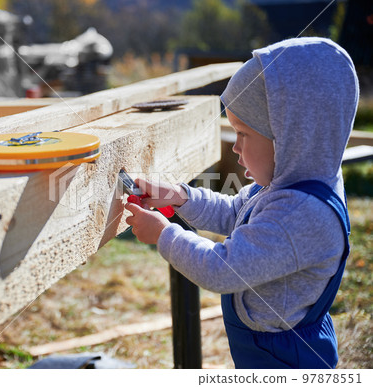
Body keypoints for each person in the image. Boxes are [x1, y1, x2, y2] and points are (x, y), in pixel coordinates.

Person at [124, 37, 359, 369]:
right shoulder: (288, 182)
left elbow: (222, 270)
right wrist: (180, 197)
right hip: (266, 347)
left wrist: (164, 235)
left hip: (287, 361)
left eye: (243, 134)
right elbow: (236, 212)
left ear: (290, 137)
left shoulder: (301, 216)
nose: (234, 148)